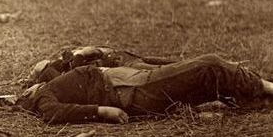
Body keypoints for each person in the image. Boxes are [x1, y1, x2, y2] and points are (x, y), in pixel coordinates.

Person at [16, 53, 273, 124]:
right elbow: (55, 114)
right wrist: (101, 111)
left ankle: (256, 97)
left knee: (199, 76)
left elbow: (48, 70)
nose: (29, 84)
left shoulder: (48, 84)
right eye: (26, 89)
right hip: (128, 90)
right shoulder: (42, 98)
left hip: (129, 81)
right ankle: (272, 88)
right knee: (209, 64)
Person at [25, 46, 177, 87]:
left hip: (121, 57)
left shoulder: (66, 61)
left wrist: (86, 53)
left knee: (164, 64)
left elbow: (94, 51)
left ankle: (194, 64)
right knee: (159, 71)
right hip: (124, 66)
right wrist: (81, 54)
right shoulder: (67, 73)